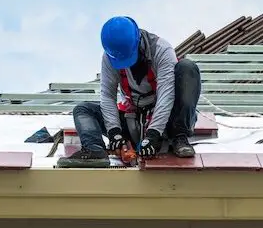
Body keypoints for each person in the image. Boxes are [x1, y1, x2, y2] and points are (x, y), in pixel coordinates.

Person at [56, 16, 201, 168]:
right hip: (133, 121)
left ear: (138, 41)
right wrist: (114, 131)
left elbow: (167, 95)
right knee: (83, 109)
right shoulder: (110, 56)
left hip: (167, 123)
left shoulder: (161, 50)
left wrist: (153, 134)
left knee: (187, 67)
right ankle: (94, 151)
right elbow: (107, 95)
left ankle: (179, 138)